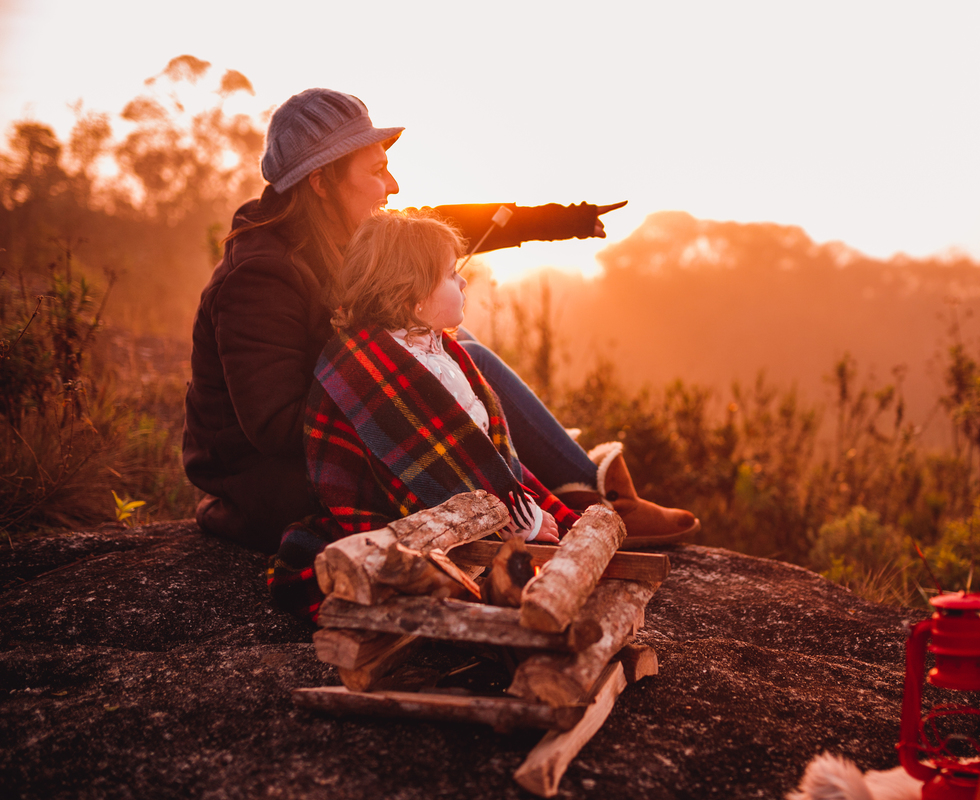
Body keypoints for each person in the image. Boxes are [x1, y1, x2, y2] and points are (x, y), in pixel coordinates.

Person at [184, 87, 697, 555]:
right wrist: (401, 392)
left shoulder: (338, 236)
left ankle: (573, 490)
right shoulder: (260, 276)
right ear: (320, 181)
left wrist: (563, 218)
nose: (392, 184)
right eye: (376, 171)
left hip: (329, 449)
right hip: (275, 481)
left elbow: (432, 229)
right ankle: (573, 498)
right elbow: (275, 429)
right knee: (456, 352)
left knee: (450, 344)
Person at [268, 210, 583, 619]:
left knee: (563, 538)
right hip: (409, 511)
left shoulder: (440, 349)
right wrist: (520, 523)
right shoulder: (371, 366)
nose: (464, 280)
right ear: (412, 299)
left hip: (472, 502)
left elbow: (482, 445)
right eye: (451, 275)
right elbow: (439, 467)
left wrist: (534, 506)